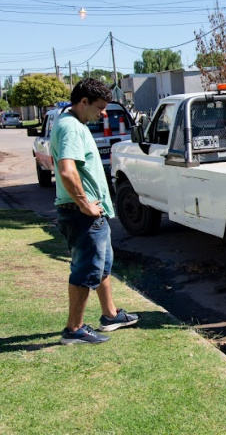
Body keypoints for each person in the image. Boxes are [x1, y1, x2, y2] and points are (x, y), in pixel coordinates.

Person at [53, 78, 139, 345]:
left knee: (101, 266)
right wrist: (85, 204)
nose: (103, 114)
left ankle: (110, 315)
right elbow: (68, 171)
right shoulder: (70, 128)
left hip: (89, 214)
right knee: (86, 270)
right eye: (100, 107)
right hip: (82, 215)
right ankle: (74, 329)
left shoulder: (72, 122)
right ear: (83, 102)